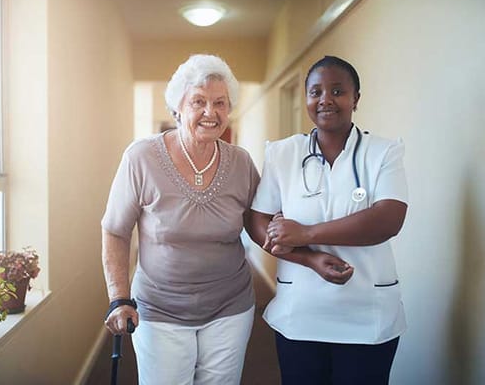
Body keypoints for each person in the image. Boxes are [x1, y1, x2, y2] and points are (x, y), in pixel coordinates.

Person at [246, 55, 408, 384]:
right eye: (315, 92)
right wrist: (310, 258)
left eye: (337, 91)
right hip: (301, 315)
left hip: (367, 317)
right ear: (306, 98)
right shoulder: (283, 154)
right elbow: (256, 221)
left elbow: (388, 219)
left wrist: (304, 232)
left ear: (356, 99)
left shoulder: (383, 153)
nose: (325, 100)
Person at [101, 54, 260, 385]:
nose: (210, 112)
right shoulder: (141, 157)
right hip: (160, 308)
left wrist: (296, 238)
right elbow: (116, 230)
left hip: (230, 306)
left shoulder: (241, 162)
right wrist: (118, 297)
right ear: (178, 109)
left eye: (220, 103)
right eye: (198, 102)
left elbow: (257, 221)